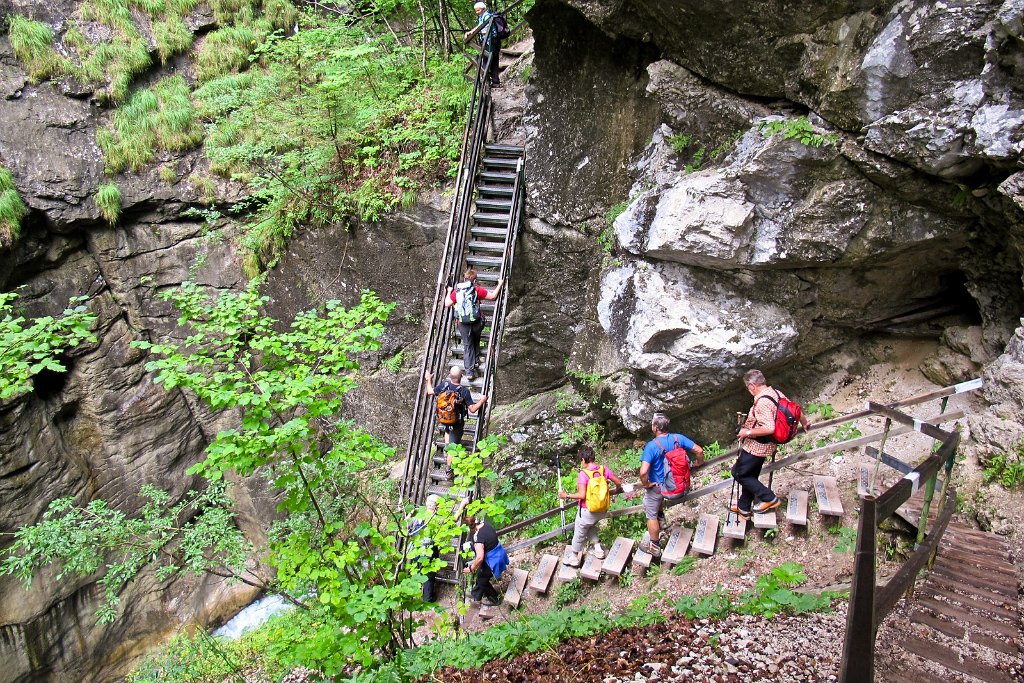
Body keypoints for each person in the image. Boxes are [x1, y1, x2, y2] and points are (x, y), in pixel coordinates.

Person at [731, 369, 811, 518]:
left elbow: (769, 428)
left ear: (752, 386)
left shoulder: (762, 402)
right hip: (768, 445)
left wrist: (746, 432)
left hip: (757, 447)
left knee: (738, 473)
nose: (749, 391)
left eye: (748, 388)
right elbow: (795, 410)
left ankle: (769, 498)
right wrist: (804, 423)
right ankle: (744, 507)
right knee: (750, 474)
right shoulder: (775, 393)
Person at [636, 413, 704, 557]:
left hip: (659, 488)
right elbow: (699, 450)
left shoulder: (651, 446)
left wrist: (646, 484)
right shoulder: (678, 438)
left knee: (651, 514)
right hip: (679, 486)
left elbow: (643, 472)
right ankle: (662, 522)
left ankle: (654, 546)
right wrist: (699, 463)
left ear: (655, 428)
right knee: (656, 504)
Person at [558, 446, 623, 566]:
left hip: (588, 510)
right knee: (590, 525)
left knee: (579, 532)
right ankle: (598, 549)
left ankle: (573, 557)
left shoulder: (584, 474)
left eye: (581, 460)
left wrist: (565, 495)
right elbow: (618, 482)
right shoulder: (603, 469)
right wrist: (614, 491)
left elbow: (582, 495)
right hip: (602, 509)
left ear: (583, 459)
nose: (581, 463)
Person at [444, 269, 503, 381]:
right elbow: (492, 297)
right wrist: (499, 284)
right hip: (477, 323)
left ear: (464, 278)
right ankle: (475, 361)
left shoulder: (457, 291)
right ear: (475, 280)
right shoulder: (476, 290)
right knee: (476, 338)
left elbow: (447, 304)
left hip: (463, 324)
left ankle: (469, 372)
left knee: (468, 346)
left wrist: (448, 291)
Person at [424, 366, 488, 467]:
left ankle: (446, 450)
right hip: (456, 423)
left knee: (447, 431)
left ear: (449, 376)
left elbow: (430, 391)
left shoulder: (444, 385)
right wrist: (482, 400)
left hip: (444, 419)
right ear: (462, 376)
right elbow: (472, 409)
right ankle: (449, 470)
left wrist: (428, 379)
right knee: (453, 449)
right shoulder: (464, 391)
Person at [463, 515, 507, 606]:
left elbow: (479, 558)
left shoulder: (478, 537)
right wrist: (472, 545)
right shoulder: (486, 525)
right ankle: (476, 595)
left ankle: (495, 599)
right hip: (499, 553)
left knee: (482, 581)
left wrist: (471, 568)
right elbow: (487, 541)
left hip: (492, 560)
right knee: (481, 576)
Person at [465, 2, 502, 87]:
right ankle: (494, 82)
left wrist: (479, 33)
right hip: (489, 41)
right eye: (476, 11)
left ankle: (485, 81)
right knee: (492, 61)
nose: (477, 12)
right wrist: (471, 32)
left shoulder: (487, 16)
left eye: (478, 10)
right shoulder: (482, 17)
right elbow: (479, 26)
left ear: (483, 9)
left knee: (487, 60)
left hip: (491, 41)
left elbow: (487, 29)